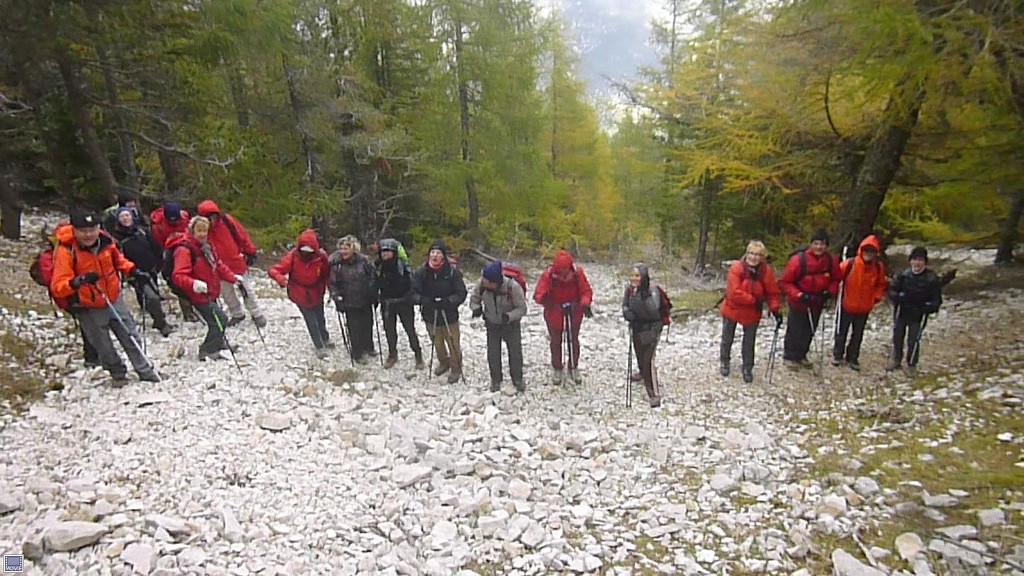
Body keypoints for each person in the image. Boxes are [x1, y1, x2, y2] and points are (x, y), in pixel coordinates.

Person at [50, 211, 160, 386]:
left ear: (98, 228)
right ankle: (118, 374)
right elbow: (58, 286)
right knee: (103, 346)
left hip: (113, 297)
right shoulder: (66, 251)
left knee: (130, 335)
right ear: (75, 230)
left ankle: (146, 370)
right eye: (83, 230)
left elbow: (119, 261)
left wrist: (133, 271)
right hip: (88, 306)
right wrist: (77, 282)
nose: (88, 234)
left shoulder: (106, 242)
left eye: (92, 229)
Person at [168, 217, 243, 361]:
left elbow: (218, 265)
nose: (202, 234)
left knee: (216, 318)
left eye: (205, 230)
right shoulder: (184, 250)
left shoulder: (206, 246)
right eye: (199, 230)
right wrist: (194, 284)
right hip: (198, 295)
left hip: (210, 290)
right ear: (192, 230)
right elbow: (178, 275)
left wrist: (233, 278)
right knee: (219, 319)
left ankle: (218, 342)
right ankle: (207, 349)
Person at [195, 200, 265, 327]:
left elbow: (241, 235)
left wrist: (250, 251)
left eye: (213, 216)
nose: (211, 220)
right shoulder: (201, 231)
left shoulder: (227, 221)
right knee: (227, 294)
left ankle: (256, 313)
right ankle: (237, 313)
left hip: (236, 263)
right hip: (218, 268)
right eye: (208, 217)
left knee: (247, 290)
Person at [719, 241, 782, 383]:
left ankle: (747, 367)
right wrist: (753, 300)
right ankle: (724, 361)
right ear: (746, 254)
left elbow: (772, 292)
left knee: (749, 341)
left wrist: (775, 309)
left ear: (762, 257)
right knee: (727, 336)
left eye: (758, 254)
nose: (754, 257)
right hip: (733, 308)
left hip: (752, 311)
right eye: (752, 253)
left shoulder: (766, 271)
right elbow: (734, 292)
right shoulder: (736, 268)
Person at [778, 229, 841, 370]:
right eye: (816, 243)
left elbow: (836, 279)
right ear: (811, 244)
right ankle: (789, 356)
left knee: (810, 329)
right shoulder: (798, 260)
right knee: (795, 329)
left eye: (822, 244)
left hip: (817, 301)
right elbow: (784, 282)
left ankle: (802, 355)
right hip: (799, 301)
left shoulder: (831, 261)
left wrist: (829, 292)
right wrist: (799, 295)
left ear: (827, 246)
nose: (819, 247)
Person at [268, 229, 333, 358]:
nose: (306, 254)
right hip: (299, 292)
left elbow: (327, 274)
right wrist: (280, 278)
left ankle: (325, 337)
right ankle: (319, 346)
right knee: (311, 320)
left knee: (320, 316)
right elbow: (274, 270)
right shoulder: (293, 256)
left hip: (317, 291)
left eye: (309, 251)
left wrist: (331, 288)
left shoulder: (321, 257)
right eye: (303, 251)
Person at [111, 207, 174, 337]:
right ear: (118, 219)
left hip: (152, 269)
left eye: (127, 215)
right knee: (152, 297)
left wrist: (160, 263)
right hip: (136, 274)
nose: (125, 218)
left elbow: (155, 247)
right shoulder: (116, 239)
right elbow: (118, 258)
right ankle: (161, 323)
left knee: (154, 293)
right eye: (122, 216)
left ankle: (156, 318)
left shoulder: (142, 231)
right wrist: (129, 274)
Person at [533, 249, 593, 384]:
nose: (564, 273)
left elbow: (586, 291)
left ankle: (573, 366)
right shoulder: (548, 275)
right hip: (554, 312)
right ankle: (557, 368)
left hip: (574, 311)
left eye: (565, 269)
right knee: (555, 342)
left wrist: (584, 303)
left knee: (574, 341)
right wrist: (545, 299)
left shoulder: (578, 274)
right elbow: (538, 293)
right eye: (561, 270)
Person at [411, 240, 467, 384]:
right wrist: (425, 301)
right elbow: (413, 293)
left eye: (438, 253)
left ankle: (456, 368)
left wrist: (448, 301)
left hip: (449, 314)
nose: (434, 255)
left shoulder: (452, 272)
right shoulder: (421, 271)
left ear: (443, 256)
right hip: (430, 314)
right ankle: (443, 362)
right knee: (437, 342)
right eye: (432, 252)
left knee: (453, 343)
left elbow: (461, 293)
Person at [470, 261, 527, 392]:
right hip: (492, 324)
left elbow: (522, 309)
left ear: (496, 282)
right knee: (493, 353)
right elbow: (474, 298)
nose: (483, 282)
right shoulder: (481, 284)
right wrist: (476, 308)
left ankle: (517, 379)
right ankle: (495, 380)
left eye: (487, 281)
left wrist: (509, 316)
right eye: (483, 279)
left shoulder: (513, 288)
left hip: (510, 325)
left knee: (515, 352)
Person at [833, 235, 888, 371]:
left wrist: (876, 298)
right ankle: (837, 355)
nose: (868, 254)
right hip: (846, 304)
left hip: (864, 307)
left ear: (876, 253)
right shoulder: (850, 264)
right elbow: (836, 277)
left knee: (858, 334)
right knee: (841, 331)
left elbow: (881, 285)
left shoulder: (878, 268)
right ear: (861, 250)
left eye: (871, 251)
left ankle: (852, 358)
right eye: (866, 250)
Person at [622, 264, 672, 407]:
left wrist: (642, 301)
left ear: (643, 277)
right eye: (632, 275)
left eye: (637, 275)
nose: (633, 278)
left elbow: (654, 312)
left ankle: (653, 393)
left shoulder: (653, 291)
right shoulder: (630, 290)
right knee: (639, 353)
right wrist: (627, 313)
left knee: (648, 359)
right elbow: (625, 304)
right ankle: (643, 373)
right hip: (637, 327)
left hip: (652, 328)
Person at [887, 247, 942, 375]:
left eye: (920, 260)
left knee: (914, 339)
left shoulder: (931, 278)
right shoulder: (903, 275)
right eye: (914, 260)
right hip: (902, 311)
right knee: (897, 336)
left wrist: (927, 307)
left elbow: (936, 300)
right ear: (910, 261)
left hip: (918, 314)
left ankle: (911, 363)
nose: (917, 263)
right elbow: (891, 291)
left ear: (925, 262)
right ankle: (896, 360)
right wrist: (898, 297)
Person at [372, 238, 424, 369]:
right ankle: (392, 354)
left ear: (394, 252)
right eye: (383, 251)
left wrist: (410, 297)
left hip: (404, 303)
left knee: (410, 329)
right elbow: (374, 283)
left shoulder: (403, 266)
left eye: (388, 251)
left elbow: (413, 284)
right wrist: (374, 296)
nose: (385, 254)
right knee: (389, 331)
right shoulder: (378, 267)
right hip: (387, 303)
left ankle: (418, 354)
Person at [329, 235, 376, 364]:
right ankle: (357, 353)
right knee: (353, 328)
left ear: (354, 249)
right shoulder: (336, 264)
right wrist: (336, 297)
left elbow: (372, 276)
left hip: (365, 299)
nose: (343, 251)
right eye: (342, 248)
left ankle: (368, 346)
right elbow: (332, 283)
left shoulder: (364, 261)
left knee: (367, 324)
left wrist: (373, 291)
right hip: (348, 301)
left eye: (346, 248)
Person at [150, 201, 199, 322]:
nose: (175, 223)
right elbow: (159, 245)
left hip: (188, 249)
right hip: (170, 253)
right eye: (171, 221)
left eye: (176, 220)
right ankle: (188, 311)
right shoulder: (157, 227)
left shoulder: (185, 217)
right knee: (178, 282)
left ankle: (200, 305)